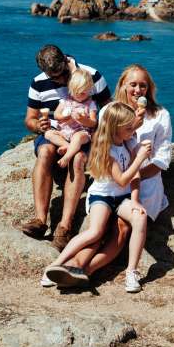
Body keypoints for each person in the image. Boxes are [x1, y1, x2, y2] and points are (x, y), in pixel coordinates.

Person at [40, 64, 172, 287]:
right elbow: (107, 150)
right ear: (123, 85)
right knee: (96, 232)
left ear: (149, 88)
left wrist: (135, 186)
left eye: (143, 85)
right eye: (133, 84)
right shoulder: (109, 113)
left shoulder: (160, 115)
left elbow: (162, 160)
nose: (138, 90)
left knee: (120, 229)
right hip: (114, 184)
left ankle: (83, 271)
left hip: (142, 184)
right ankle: (66, 266)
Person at [44, 102, 151, 293]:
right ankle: (55, 265)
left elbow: (133, 128)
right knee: (95, 232)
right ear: (115, 129)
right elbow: (122, 179)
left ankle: (132, 271)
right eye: (128, 128)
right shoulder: (108, 151)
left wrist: (135, 200)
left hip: (122, 197)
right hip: (102, 195)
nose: (132, 130)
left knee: (140, 218)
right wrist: (140, 157)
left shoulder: (125, 140)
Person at [21, 44, 110, 250]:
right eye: (54, 79)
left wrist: (93, 128)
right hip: (56, 133)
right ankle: (40, 220)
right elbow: (30, 119)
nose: (60, 81)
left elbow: (108, 109)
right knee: (44, 151)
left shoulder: (92, 76)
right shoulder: (38, 83)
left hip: (85, 135)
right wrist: (38, 125)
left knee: (78, 159)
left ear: (66, 61)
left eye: (62, 75)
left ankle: (65, 226)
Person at [44, 68, 98, 169]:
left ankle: (67, 157)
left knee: (78, 138)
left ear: (89, 90)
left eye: (83, 93)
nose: (79, 96)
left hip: (81, 132)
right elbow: (56, 114)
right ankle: (67, 146)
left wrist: (83, 120)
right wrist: (65, 117)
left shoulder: (90, 104)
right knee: (48, 134)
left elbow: (93, 122)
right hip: (65, 131)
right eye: (75, 92)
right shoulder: (66, 100)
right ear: (70, 89)